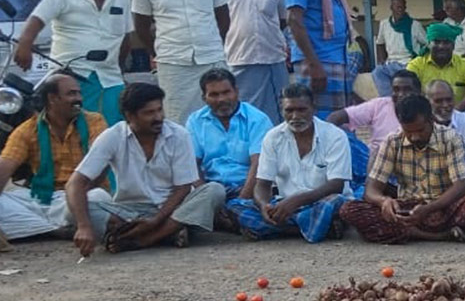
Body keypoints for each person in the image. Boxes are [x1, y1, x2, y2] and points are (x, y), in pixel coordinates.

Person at [66, 81, 226, 255]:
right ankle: (168, 233)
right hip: (128, 211)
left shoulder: (178, 135)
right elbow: (74, 183)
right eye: (149, 113)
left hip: (172, 208)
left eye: (159, 110)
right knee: (74, 207)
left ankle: (145, 239)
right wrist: (83, 227)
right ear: (130, 116)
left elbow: (183, 188)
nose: (158, 117)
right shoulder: (113, 136)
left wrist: (156, 221)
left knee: (214, 191)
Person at [338, 94, 465, 243]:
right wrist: (383, 201)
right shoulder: (392, 141)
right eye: (408, 132)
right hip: (406, 208)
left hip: (444, 206)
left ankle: (405, 233)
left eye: (420, 130)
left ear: (431, 120)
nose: (414, 137)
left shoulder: (452, 138)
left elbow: (461, 185)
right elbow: (371, 189)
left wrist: (429, 209)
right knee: (349, 210)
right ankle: (437, 235)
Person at [14, 0, 131, 123]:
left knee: (114, 130)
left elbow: (125, 36)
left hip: (111, 78)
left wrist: (121, 68)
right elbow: (36, 20)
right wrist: (25, 45)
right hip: (72, 76)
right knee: (76, 130)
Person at [130, 0, 230, 123]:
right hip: (173, 63)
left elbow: (223, 16)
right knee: (178, 119)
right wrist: (156, 51)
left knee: (220, 114)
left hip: (211, 57)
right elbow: (140, 24)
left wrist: (212, 42)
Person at [226, 83, 351, 242]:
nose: (295, 116)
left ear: (314, 108)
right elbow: (262, 184)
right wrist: (265, 207)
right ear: (281, 110)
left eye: (301, 110)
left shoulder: (335, 136)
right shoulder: (273, 137)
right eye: (289, 110)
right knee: (235, 205)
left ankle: (277, 230)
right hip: (285, 205)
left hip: (320, 201)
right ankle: (307, 229)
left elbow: (336, 185)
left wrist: (296, 201)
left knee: (334, 203)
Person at [0, 72, 109, 244]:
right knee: (4, 200)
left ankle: (39, 229)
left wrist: (77, 196)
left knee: (98, 199)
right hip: (41, 198)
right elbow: (5, 166)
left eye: (79, 93)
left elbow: (102, 164)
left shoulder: (94, 121)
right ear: (52, 98)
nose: (79, 98)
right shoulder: (27, 129)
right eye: (71, 94)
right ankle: (55, 231)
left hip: (79, 196)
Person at [185, 68, 273, 227]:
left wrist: (242, 200)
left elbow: (258, 164)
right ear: (204, 98)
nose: (222, 99)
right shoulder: (195, 121)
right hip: (213, 188)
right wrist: (205, 196)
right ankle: (228, 220)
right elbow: (192, 165)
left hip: (249, 187)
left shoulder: (257, 119)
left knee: (265, 202)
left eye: (226, 92)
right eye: (214, 94)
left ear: (237, 92)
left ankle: (218, 220)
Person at [219, 0, 288, 121]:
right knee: (243, 117)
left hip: (273, 60)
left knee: (278, 116)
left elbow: (283, 20)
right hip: (238, 59)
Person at [284, 0, 351, 118]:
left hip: (333, 58)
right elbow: (294, 20)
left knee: (338, 121)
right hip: (318, 61)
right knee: (322, 122)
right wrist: (314, 64)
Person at [330, 68, 420, 169]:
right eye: (396, 89)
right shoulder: (380, 105)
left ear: (418, 92)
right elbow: (336, 117)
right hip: (376, 164)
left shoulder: (426, 111)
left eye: (407, 89)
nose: (401, 94)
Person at [407, 22, 465, 110]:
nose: (441, 46)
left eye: (446, 42)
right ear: (429, 44)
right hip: (425, 115)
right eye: (436, 42)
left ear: (453, 45)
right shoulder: (416, 64)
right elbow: (409, 90)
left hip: (459, 113)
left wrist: (456, 111)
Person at [373, 0, 427, 97]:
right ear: (391, 8)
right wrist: (381, 61)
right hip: (391, 62)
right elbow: (380, 43)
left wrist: (419, 57)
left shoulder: (414, 24)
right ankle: (389, 100)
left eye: (402, 7)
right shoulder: (384, 24)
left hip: (408, 63)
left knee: (409, 81)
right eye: (397, 7)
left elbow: (427, 43)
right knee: (377, 72)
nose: (400, 10)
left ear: (405, 8)